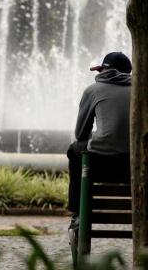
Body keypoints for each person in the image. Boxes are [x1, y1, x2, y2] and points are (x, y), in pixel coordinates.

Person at [67, 51, 132, 231]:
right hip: (134, 168)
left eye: (100, 70)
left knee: (74, 149)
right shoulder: (142, 89)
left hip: (101, 166)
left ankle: (77, 213)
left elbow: (80, 133)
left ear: (106, 71)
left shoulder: (93, 90)